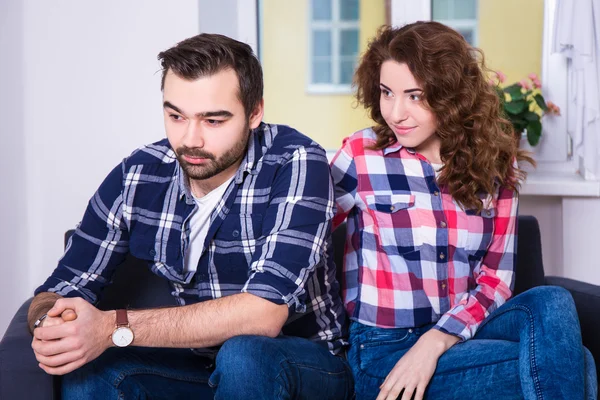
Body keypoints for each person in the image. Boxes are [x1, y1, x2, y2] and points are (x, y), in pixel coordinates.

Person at [27, 33, 354, 399]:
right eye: (176, 116)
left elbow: (262, 315)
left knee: (244, 354)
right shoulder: (139, 173)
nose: (190, 139)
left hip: (304, 365)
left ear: (255, 112)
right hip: (200, 366)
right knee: (90, 373)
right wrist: (54, 324)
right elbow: (60, 287)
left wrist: (110, 327)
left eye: (213, 121)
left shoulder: (295, 161)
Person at [330, 22, 598, 400]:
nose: (395, 112)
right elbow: (306, 235)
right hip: (385, 351)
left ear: (450, 94)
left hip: (465, 333)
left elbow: (495, 281)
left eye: (415, 96)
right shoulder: (361, 157)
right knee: (578, 362)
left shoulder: (494, 166)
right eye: (387, 92)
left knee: (553, 300)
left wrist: (437, 339)